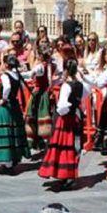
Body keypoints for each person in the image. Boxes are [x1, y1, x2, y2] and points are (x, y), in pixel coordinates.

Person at [38, 59, 85, 190]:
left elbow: (63, 105)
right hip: (75, 116)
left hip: (65, 119)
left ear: (65, 70)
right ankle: (68, 175)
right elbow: (83, 99)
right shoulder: (80, 84)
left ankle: (65, 175)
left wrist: (59, 112)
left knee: (63, 147)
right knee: (72, 146)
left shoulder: (66, 85)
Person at [0, 55, 28, 173]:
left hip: (7, 105)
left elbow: (7, 87)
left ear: (5, 64)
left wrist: (3, 99)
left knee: (3, 130)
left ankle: (7, 162)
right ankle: (13, 159)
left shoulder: (5, 75)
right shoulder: (17, 75)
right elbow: (23, 86)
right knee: (14, 130)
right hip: (14, 104)